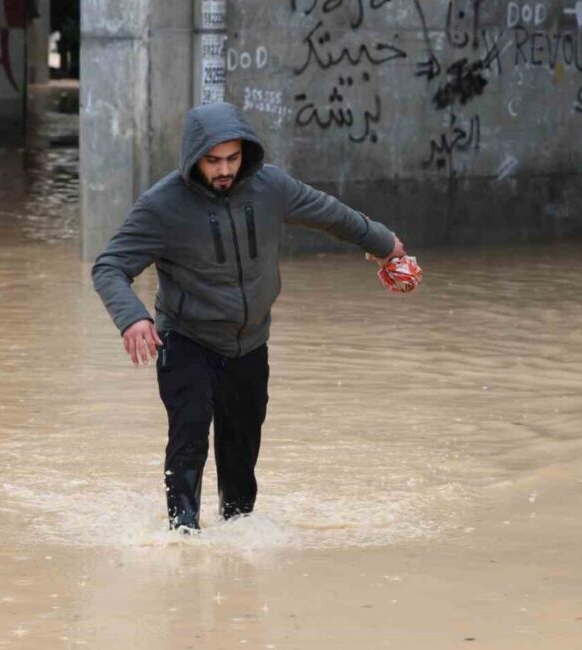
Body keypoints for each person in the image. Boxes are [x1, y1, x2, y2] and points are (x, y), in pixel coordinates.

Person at [92, 102, 406, 532]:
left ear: (246, 153)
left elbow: (331, 214)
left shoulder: (270, 187)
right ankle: (182, 535)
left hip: (250, 342)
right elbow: (109, 266)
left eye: (233, 158)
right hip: (186, 339)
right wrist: (133, 318)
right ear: (192, 159)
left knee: (241, 450)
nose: (224, 169)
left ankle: (238, 537)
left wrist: (386, 245)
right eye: (213, 160)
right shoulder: (162, 206)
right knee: (190, 435)